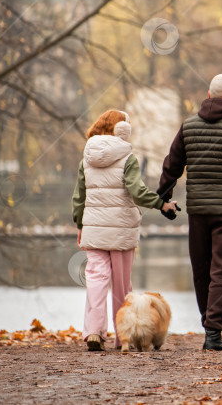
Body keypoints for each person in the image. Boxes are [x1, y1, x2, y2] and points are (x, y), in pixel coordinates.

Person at [157, 74, 222, 351]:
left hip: (198, 210)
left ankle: (210, 326)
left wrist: (163, 199)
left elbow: (172, 165)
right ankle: (213, 332)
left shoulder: (188, 127)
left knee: (201, 269)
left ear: (208, 94)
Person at [71, 110, 178, 352]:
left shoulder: (87, 158)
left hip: (94, 231)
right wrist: (162, 203)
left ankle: (93, 333)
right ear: (119, 129)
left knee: (96, 282)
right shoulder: (128, 158)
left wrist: (80, 225)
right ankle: (123, 338)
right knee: (122, 286)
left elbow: (79, 197)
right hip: (121, 232)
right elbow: (137, 191)